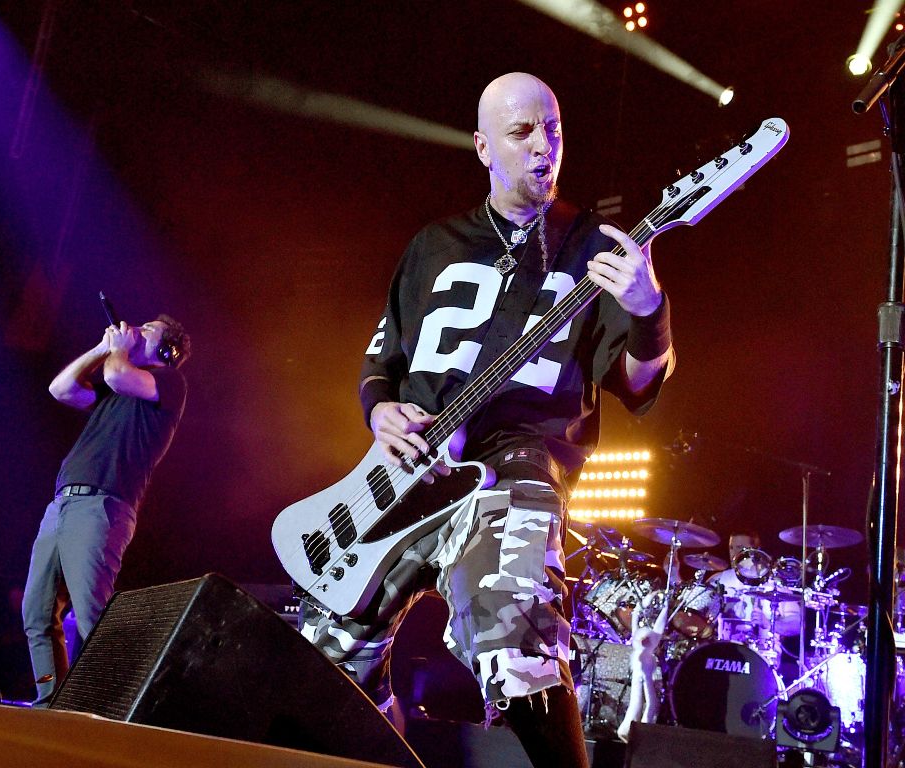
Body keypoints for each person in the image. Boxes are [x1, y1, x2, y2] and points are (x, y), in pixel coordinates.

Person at [298, 72, 674, 768]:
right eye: (522, 132)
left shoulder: (596, 248)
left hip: (519, 463)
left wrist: (650, 310)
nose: (544, 147)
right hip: (408, 473)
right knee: (324, 661)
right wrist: (379, 409)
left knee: (512, 627)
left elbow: (636, 380)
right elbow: (383, 358)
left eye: (553, 129)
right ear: (482, 146)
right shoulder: (434, 245)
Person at [21, 315, 189, 706]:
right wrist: (101, 348)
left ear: (168, 349)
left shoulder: (168, 383)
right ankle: (51, 705)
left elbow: (117, 375)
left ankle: (111, 707)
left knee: (93, 614)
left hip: (103, 504)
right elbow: (60, 389)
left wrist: (117, 351)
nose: (137, 329)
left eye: (149, 330)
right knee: (37, 611)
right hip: (63, 503)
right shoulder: (115, 384)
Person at [711, 531, 801, 665]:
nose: (734, 553)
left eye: (740, 548)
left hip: (763, 661)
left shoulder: (775, 584)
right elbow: (693, 608)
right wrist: (673, 576)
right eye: (731, 547)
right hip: (724, 658)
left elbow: (796, 625)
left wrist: (769, 623)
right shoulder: (720, 579)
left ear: (755, 551)